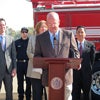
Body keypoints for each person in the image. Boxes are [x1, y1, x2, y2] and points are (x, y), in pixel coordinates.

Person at [34, 12, 80, 100]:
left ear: (59, 22)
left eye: (54, 23)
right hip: (49, 78)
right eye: (50, 24)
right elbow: (37, 55)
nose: (52, 26)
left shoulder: (68, 35)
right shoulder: (40, 38)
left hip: (66, 77)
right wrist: (43, 62)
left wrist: (76, 62)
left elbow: (75, 52)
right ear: (46, 23)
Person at [72, 26, 95, 100]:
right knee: (75, 94)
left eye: (82, 32)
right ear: (76, 34)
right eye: (78, 32)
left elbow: (92, 60)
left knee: (87, 94)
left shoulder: (91, 45)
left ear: (85, 34)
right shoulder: (72, 45)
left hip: (86, 75)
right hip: (75, 75)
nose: (80, 34)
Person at [27, 20, 48, 100]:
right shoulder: (32, 38)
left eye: (45, 27)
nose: (43, 28)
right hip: (34, 70)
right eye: (42, 27)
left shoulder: (50, 38)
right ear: (38, 28)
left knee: (47, 93)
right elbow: (28, 52)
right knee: (37, 94)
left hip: (47, 71)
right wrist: (38, 60)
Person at [0, 18, 17, 100]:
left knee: (9, 94)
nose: (2, 27)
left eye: (3, 25)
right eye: (0, 25)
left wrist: (14, 68)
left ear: (5, 26)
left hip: (8, 71)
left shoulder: (11, 39)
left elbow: (14, 55)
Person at [15, 27, 31, 100]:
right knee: (20, 82)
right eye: (23, 32)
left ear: (27, 33)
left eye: (25, 32)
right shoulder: (16, 42)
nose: (24, 33)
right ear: (21, 33)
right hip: (19, 64)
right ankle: (20, 97)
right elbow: (14, 54)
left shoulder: (30, 42)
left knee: (28, 82)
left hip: (28, 64)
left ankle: (28, 97)